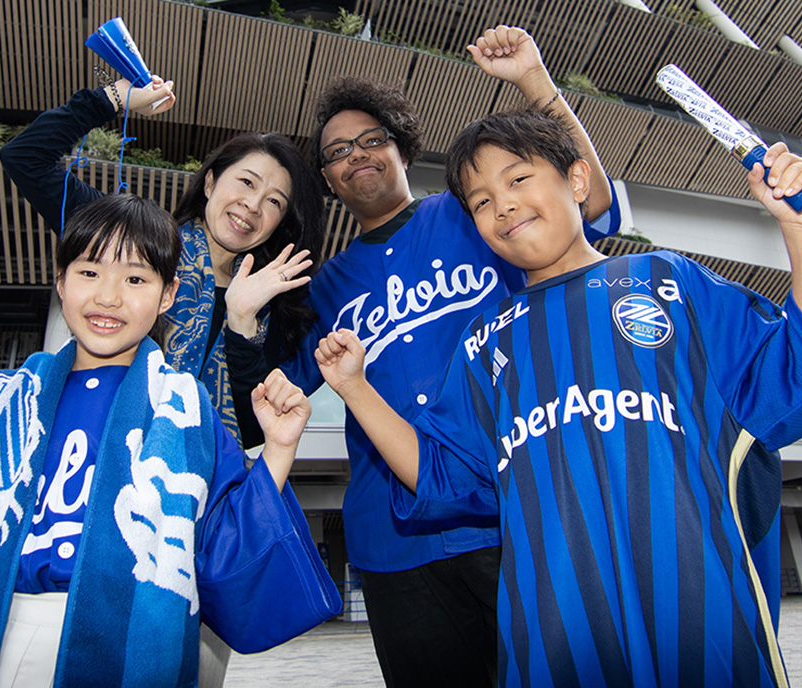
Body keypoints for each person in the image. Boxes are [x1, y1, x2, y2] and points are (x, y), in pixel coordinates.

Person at [314, 103, 802, 686]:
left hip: (707, 632)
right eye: (479, 202)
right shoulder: (483, 347)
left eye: (518, 179)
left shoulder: (670, 283)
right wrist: (355, 388)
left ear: (577, 180)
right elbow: (442, 477)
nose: (502, 206)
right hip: (558, 649)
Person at [246, 26, 619, 686]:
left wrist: (535, 82)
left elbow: (590, 204)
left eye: (370, 139)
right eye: (336, 153)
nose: (356, 155)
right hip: (396, 543)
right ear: (328, 180)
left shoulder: (475, 213)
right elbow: (267, 393)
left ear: (400, 146)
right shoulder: (323, 288)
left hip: (518, 514)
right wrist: (240, 313)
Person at [0, 195, 341, 687]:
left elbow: (227, 549)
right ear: (60, 283)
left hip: (127, 645)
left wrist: (277, 448)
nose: (108, 297)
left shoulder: (188, 415)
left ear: (168, 295)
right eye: (88, 272)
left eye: (136, 279)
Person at [0, 75, 325, 451]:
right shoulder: (134, 242)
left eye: (274, 201)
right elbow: (25, 158)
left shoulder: (269, 304)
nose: (253, 205)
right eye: (247, 183)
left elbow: (253, 431)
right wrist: (114, 98)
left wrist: (241, 325)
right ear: (210, 184)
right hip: (88, 450)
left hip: (192, 488)